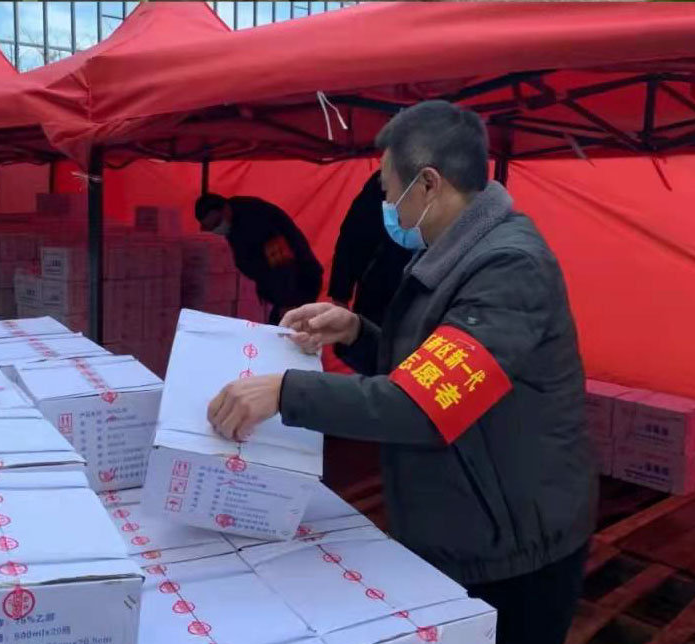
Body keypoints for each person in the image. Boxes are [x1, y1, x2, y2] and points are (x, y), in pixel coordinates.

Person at [205, 101, 595, 644]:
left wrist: (286, 393)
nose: (386, 205)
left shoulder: (507, 267)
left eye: (389, 191)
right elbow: (428, 367)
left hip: (512, 548)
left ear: (429, 183)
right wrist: (356, 332)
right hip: (463, 522)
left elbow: (427, 404)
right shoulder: (451, 251)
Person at [195, 193, 323, 325]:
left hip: (298, 282)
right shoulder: (234, 223)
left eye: (217, 223)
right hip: (281, 289)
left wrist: (287, 302)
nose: (217, 229)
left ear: (226, 209)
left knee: (286, 330)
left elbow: (282, 260)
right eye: (211, 228)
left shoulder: (256, 221)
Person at [328, 170, 413, 325]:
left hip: (419, 294)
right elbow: (351, 238)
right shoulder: (380, 184)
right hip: (376, 288)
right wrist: (340, 294)